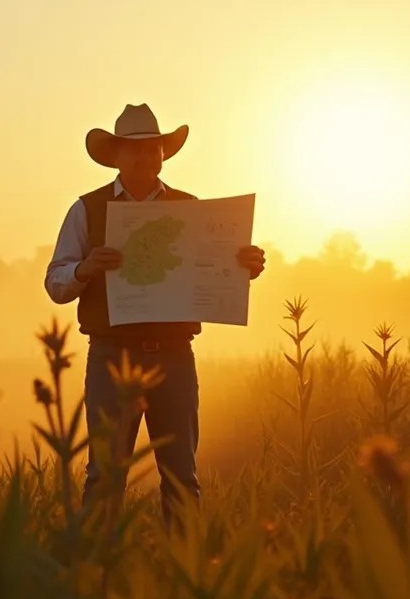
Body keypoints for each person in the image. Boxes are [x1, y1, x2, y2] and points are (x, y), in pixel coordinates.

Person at [43, 103, 266, 525]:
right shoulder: (86, 209)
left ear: (163, 154)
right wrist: (85, 268)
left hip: (174, 355)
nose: (146, 157)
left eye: (154, 148)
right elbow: (55, 282)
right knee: (105, 474)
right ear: (117, 156)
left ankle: (183, 571)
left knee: (181, 475)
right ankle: (97, 573)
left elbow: (212, 272)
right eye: (135, 150)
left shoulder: (192, 208)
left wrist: (244, 266)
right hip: (112, 355)